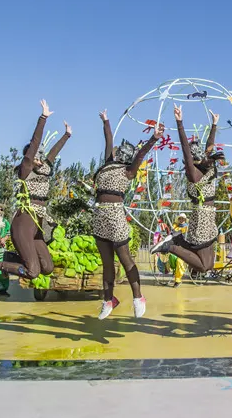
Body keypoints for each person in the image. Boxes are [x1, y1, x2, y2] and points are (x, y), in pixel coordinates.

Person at [0, 101, 71, 290]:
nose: (39, 156)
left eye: (41, 154)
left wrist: (67, 135)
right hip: (25, 219)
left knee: (47, 268)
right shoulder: (26, 169)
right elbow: (35, 142)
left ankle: (9, 257)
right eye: (35, 154)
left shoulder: (45, 169)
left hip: (39, 222)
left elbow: (53, 153)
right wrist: (43, 118)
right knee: (33, 271)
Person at [93, 109, 163, 319]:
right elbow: (108, 141)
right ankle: (108, 300)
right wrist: (106, 120)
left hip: (115, 216)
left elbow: (141, 155)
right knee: (107, 263)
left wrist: (153, 139)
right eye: (119, 150)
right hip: (99, 216)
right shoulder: (107, 165)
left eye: (124, 151)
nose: (119, 152)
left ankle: (138, 297)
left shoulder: (128, 171)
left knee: (125, 258)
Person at [150, 106, 225, 287]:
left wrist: (214, 125)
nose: (203, 154)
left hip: (208, 217)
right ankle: (172, 245)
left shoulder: (206, 167)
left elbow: (209, 147)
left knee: (208, 265)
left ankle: (176, 240)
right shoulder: (194, 173)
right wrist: (179, 122)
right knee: (204, 266)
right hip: (202, 218)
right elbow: (185, 147)